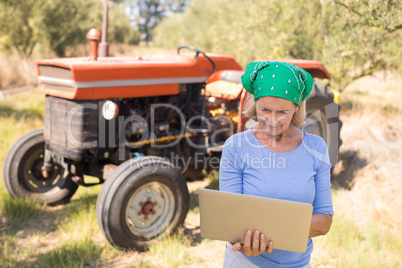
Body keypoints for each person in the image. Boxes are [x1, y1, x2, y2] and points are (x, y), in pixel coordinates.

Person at [219, 61, 334, 268]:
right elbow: (229, 221)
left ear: (296, 108)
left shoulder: (316, 148)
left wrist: (271, 228)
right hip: (246, 262)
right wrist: (246, 241)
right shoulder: (236, 147)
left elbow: (324, 221)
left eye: (282, 112)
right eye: (265, 110)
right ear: (254, 104)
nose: (272, 120)